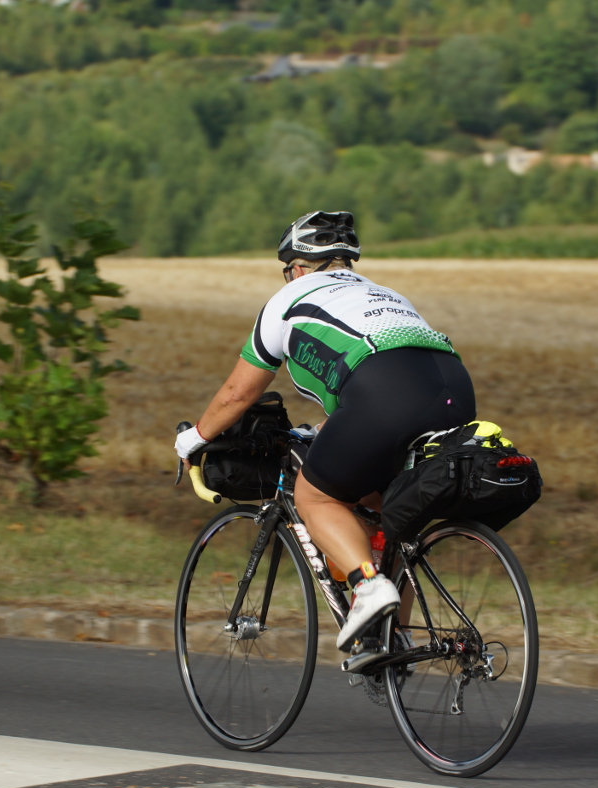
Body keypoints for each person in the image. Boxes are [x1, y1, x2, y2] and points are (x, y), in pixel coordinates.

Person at [175, 211, 476, 651]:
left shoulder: (290, 298)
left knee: (314, 496)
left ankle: (369, 587)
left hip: (384, 392)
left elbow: (238, 394)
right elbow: (372, 387)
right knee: (383, 508)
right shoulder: (383, 292)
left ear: (297, 267)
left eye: (286, 270)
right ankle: (396, 642)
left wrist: (192, 439)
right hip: (455, 390)